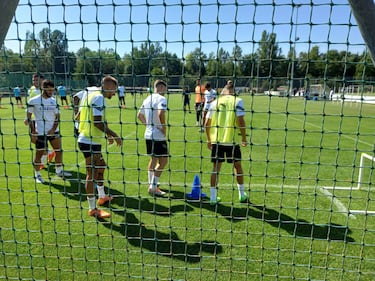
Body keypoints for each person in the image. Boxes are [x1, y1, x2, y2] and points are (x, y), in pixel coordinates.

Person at [77, 75, 122, 219]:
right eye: (114, 90)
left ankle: (102, 197)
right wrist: (113, 134)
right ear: (108, 86)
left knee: (101, 166)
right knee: (91, 174)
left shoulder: (90, 93)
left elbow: (78, 115)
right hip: (89, 141)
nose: (114, 93)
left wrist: (106, 134)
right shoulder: (98, 98)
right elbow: (97, 122)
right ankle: (92, 209)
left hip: (91, 140)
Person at [205, 82, 249, 205]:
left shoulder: (215, 103)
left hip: (217, 141)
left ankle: (213, 198)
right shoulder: (237, 101)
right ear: (233, 91)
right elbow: (241, 121)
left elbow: (206, 123)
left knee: (216, 169)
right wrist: (244, 137)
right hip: (232, 141)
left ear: (224, 91)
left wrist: (209, 139)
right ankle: (241, 195)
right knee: (238, 166)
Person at [26, 79, 72, 184]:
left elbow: (57, 117)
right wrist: (33, 132)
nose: (51, 92)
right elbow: (29, 117)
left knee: (59, 151)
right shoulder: (33, 101)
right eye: (49, 90)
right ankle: (37, 175)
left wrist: (53, 129)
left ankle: (59, 171)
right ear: (43, 88)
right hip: (40, 132)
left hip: (54, 132)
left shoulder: (53, 101)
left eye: (52, 90)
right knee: (39, 154)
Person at [137, 79, 169, 197]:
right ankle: (153, 187)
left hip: (148, 134)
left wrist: (148, 125)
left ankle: (151, 184)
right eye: (164, 89)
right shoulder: (161, 99)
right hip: (158, 135)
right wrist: (163, 127)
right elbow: (161, 113)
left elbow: (139, 115)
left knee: (153, 159)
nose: (165, 92)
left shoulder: (147, 99)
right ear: (160, 87)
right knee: (164, 161)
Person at [24, 74, 55, 167]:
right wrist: (27, 117)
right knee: (34, 139)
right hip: (34, 118)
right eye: (33, 80)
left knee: (39, 140)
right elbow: (31, 105)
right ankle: (48, 152)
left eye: (37, 80)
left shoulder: (45, 92)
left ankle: (42, 159)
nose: (35, 82)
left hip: (43, 120)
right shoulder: (32, 90)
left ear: (42, 81)